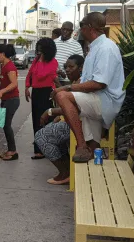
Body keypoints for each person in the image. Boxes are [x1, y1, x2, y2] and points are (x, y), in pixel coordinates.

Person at [53, 12, 125, 162]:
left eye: (81, 25)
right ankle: (90, 149)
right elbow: (86, 81)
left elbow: (99, 83)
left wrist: (67, 89)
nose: (79, 29)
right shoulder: (95, 47)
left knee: (63, 97)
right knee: (67, 101)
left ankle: (81, 145)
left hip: (105, 101)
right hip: (96, 98)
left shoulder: (106, 48)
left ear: (90, 27)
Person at [35, 54, 84, 185]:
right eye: (66, 67)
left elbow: (76, 109)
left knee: (41, 136)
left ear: (81, 68)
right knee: (49, 131)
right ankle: (68, 169)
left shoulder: (80, 83)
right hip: (73, 122)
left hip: (81, 125)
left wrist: (50, 111)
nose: (67, 70)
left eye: (71, 67)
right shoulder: (75, 82)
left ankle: (64, 173)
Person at [25, 37, 58, 159]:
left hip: (47, 92)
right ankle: (38, 149)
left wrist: (41, 60)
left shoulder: (53, 62)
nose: (38, 52)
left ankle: (48, 147)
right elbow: (30, 74)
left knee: (46, 120)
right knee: (36, 120)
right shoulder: (37, 60)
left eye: (41, 50)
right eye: (38, 49)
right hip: (37, 92)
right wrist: (27, 87)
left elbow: (40, 74)